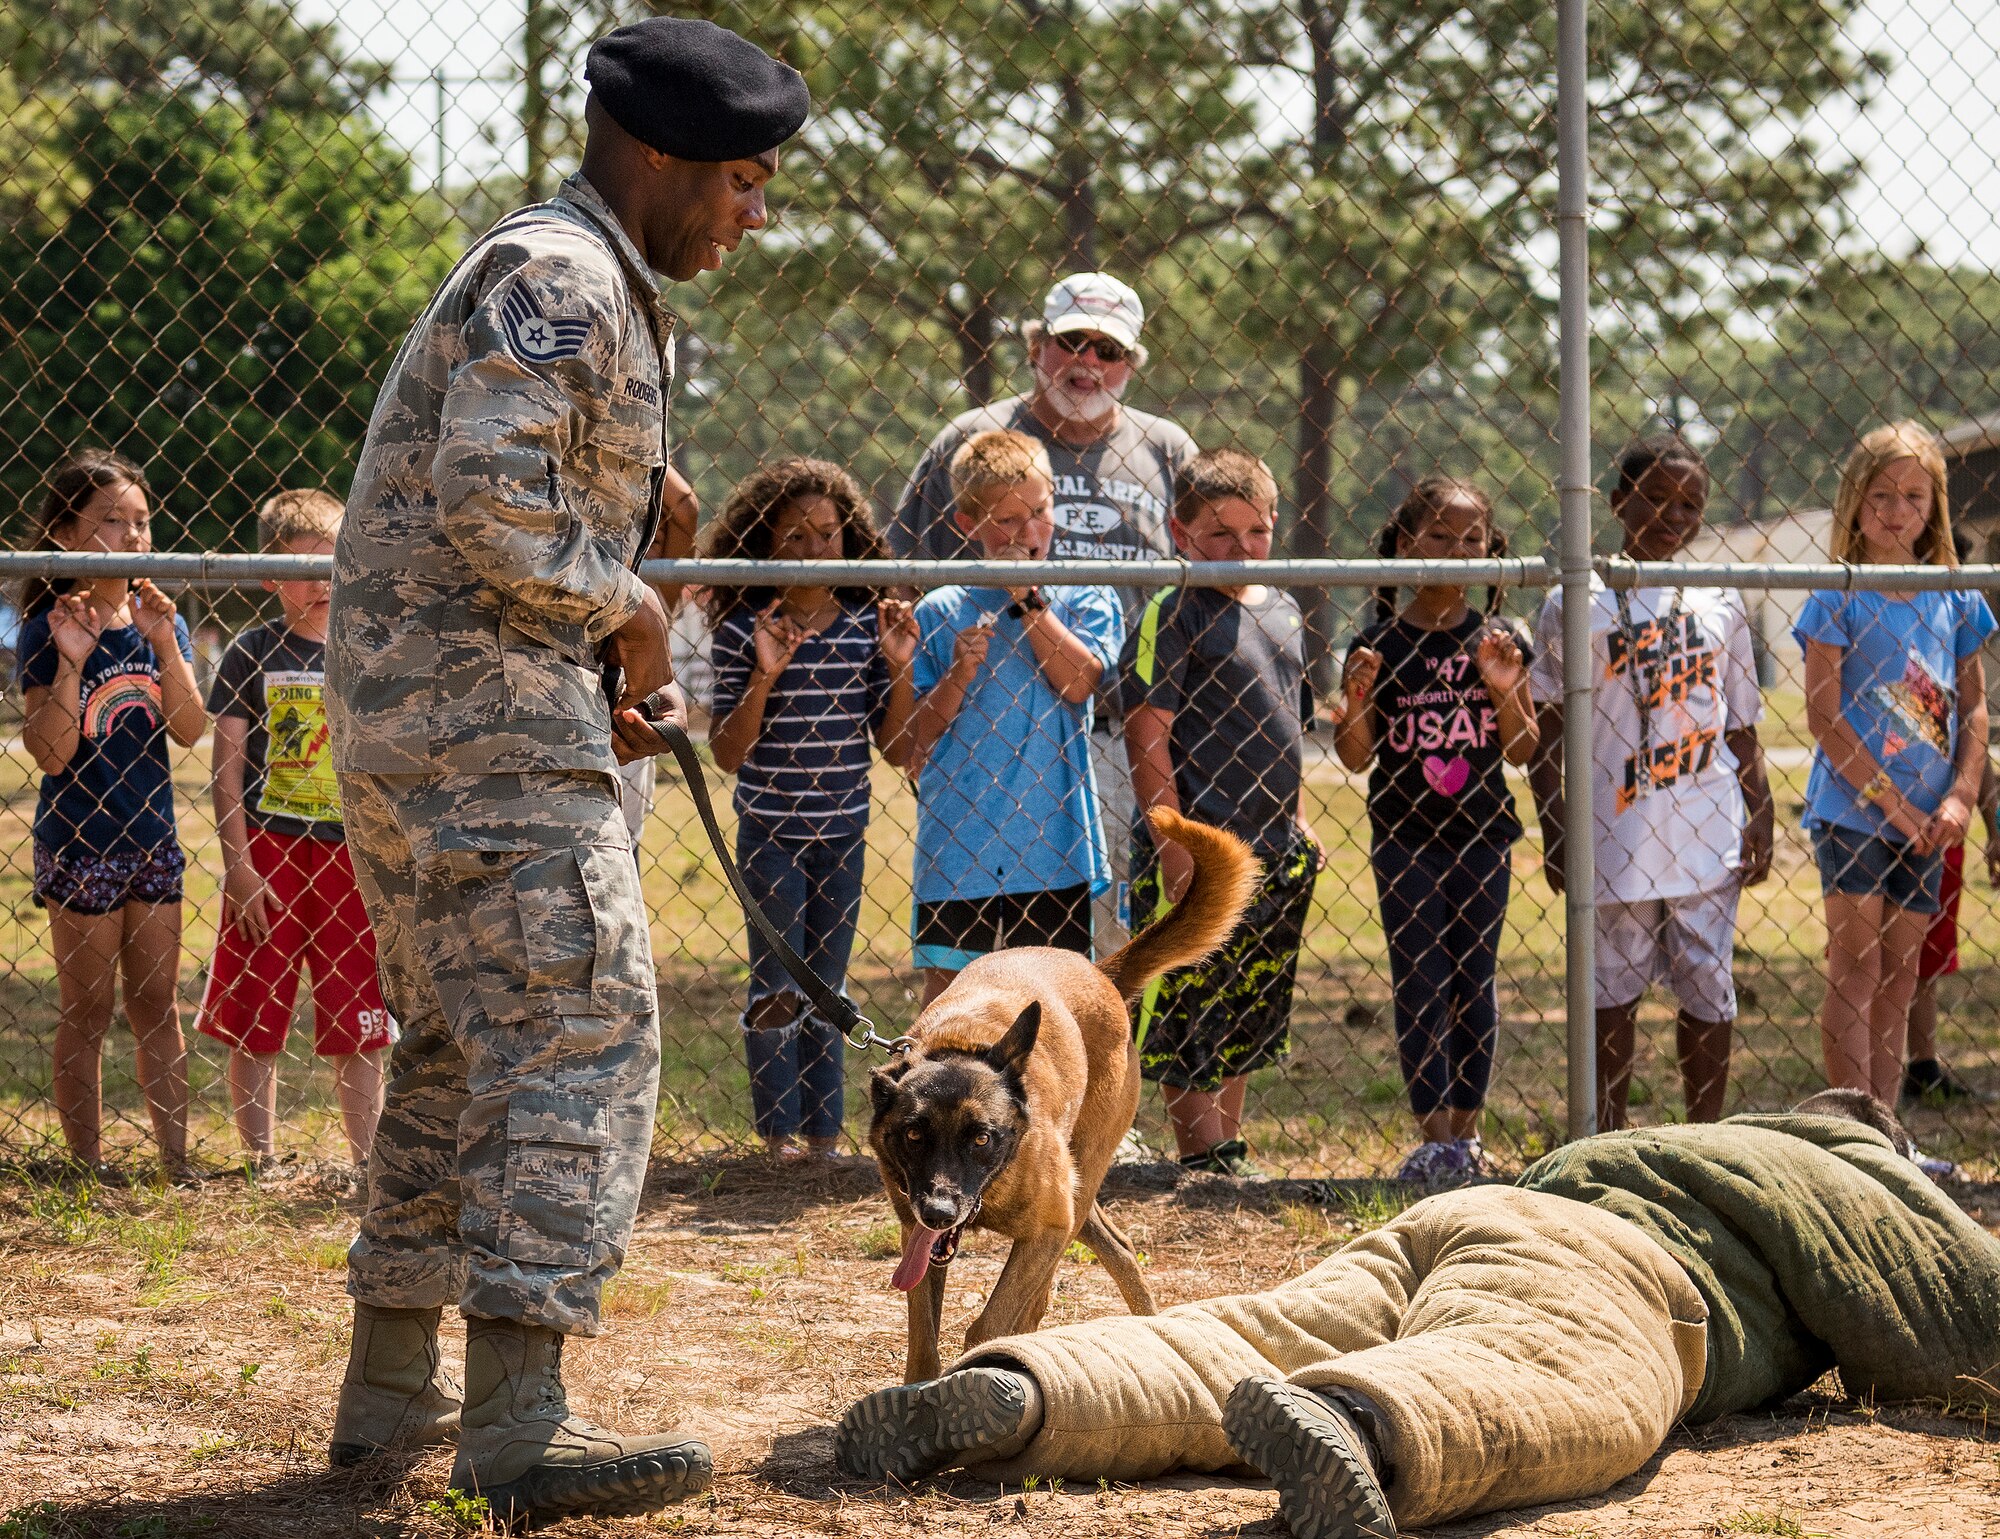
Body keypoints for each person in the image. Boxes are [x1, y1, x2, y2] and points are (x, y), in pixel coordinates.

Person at [323, 17, 808, 1525]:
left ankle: (393, 1385)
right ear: (654, 151)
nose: (755, 211)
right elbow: (486, 495)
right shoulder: (568, 275)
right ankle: (521, 1419)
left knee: (463, 1045)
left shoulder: (574, 268)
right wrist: (631, 601)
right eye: (740, 178)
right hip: (477, 721)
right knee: (576, 1021)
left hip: (430, 717)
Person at [835, 1092, 2000, 1539]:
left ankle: (1025, 1391)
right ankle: (1363, 1423)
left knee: (1253, 1329)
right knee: (1549, 1381)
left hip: (1453, 1219)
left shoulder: (1671, 1141)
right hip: (1609, 1270)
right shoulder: (1837, 1173)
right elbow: (1955, 1312)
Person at [891, 274, 1197, 961]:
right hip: (990, 729)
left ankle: (1085, 1063)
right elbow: (906, 571)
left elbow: (1197, 579)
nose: (1088, 363)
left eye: (1109, 350)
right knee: (976, 944)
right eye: (1071, 342)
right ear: (1036, 345)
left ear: (1131, 365)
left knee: (1104, 933)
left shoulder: (1167, 448)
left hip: (1127, 728)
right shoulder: (971, 439)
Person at [1528, 435, 1773, 1129]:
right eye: (1656, 497)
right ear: (1615, 502)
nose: (1674, 514)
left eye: (1690, 503)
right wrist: (1556, 825)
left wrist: (1762, 809)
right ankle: (1606, 1133)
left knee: (1706, 978)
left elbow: (1741, 723)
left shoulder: (1718, 595)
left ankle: (1705, 1135)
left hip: (1706, 819)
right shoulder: (1575, 600)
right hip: (1615, 826)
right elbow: (1547, 734)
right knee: (1611, 986)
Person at [701, 459, 918, 1163]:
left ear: (850, 540)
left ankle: (825, 1139)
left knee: (829, 988)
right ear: (763, 545)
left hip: (843, 831)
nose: (814, 550)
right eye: (793, 537)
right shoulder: (744, 627)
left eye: (828, 534)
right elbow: (729, 753)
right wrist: (767, 672)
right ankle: (778, 1140)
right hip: (770, 832)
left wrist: (899, 666)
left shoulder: (863, 629)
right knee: (775, 985)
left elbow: (893, 744)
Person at [1120, 449, 1318, 1176]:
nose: (1241, 549)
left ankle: (1225, 1144)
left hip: (1273, 844)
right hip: (1202, 846)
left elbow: (1291, 730)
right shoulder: (1173, 611)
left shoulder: (1287, 610)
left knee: (1249, 999)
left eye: (1257, 532)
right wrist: (1174, 842)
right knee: (1191, 999)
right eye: (1221, 534)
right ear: (1180, 530)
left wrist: (1298, 820)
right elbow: (1148, 731)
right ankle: (1199, 1149)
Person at [1336, 478, 1537, 1188]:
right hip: (1406, 839)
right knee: (1420, 981)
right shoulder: (1378, 643)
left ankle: (1470, 1135)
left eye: (1473, 540)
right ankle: (1435, 1138)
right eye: (1440, 537)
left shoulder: (1500, 640)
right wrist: (1358, 698)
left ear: (1493, 550)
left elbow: (1521, 748)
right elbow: (1356, 755)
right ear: (1404, 544)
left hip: (1482, 836)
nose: (1457, 551)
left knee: (1473, 984)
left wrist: (1503, 685)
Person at [1795, 421, 1993, 1108]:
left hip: (1932, 821)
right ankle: (1853, 1134)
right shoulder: (1836, 594)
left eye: (1914, 495)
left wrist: (1961, 795)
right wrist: (1892, 803)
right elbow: (1824, 716)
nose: (1896, 510)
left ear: (1934, 505)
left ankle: (1889, 1133)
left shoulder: (1956, 593)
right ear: (1854, 500)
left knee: (1902, 974)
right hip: (1856, 812)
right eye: (1881, 494)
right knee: (1857, 966)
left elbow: (1972, 708)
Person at [18, 450, 203, 1182]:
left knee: (158, 1003)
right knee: (88, 1009)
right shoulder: (46, 625)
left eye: (140, 522)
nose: (131, 536)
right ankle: (87, 1165)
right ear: (63, 535)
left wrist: (164, 643)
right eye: (110, 522)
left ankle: (177, 1161)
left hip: (151, 840)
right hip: (82, 844)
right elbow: (54, 753)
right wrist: (71, 659)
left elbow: (189, 729)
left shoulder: (159, 621)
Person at [196, 490, 392, 1173]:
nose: (320, 583)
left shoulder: (368, 651)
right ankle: (261, 1159)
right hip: (270, 854)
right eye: (301, 568)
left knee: (359, 1017)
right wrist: (239, 866)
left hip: (351, 857)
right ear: (268, 576)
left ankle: (368, 1160)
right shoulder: (252, 652)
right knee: (257, 1010)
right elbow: (225, 771)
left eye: (331, 564)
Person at [903, 429, 1123, 1007]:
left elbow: (1080, 682)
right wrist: (956, 677)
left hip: (1053, 844)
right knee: (949, 995)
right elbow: (914, 738)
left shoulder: (1085, 595)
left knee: (1055, 1001)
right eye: (1007, 521)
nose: (1029, 535)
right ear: (966, 524)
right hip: (958, 844)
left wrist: (1027, 600)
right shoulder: (941, 609)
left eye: (1041, 513)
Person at [1905, 759, 1998, 1110]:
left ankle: (1922, 1066)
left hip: (1942, 831)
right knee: (1868, 959)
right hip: (1870, 822)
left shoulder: (1963, 704)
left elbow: (1977, 755)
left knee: (1930, 950)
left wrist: (1995, 827)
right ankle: (1864, 1076)